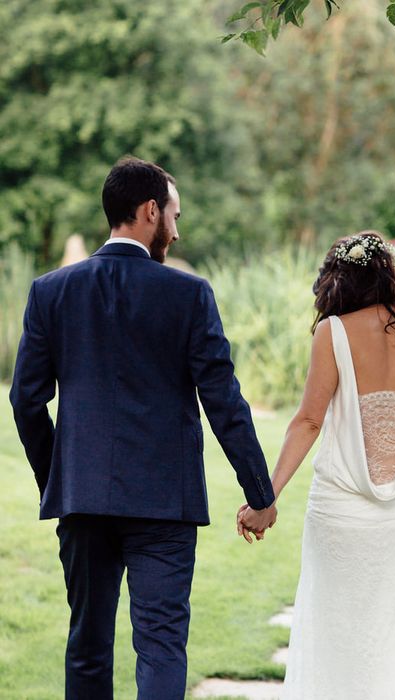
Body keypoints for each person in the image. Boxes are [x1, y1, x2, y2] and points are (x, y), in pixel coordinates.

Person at [9, 156, 277, 700]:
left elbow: (25, 401)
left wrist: (60, 476)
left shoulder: (50, 291)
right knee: (160, 646)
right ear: (150, 211)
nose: (176, 232)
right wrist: (260, 493)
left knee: (87, 647)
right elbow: (224, 401)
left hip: (82, 500)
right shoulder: (189, 295)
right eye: (174, 217)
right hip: (164, 504)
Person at [238, 231, 395, 699]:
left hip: (339, 516)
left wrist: (267, 497)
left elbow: (306, 421)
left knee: (337, 637)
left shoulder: (332, 333)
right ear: (391, 274)